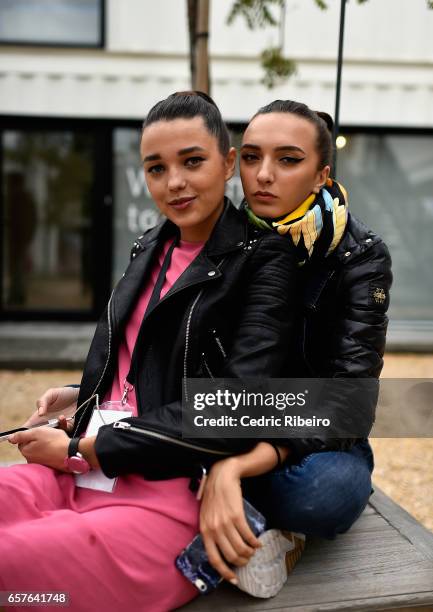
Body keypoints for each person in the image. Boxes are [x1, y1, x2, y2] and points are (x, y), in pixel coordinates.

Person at [0, 92, 298, 611]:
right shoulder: (150, 247)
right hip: (84, 471)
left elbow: (234, 406)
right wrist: (81, 398)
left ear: (229, 164)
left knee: (12, 568)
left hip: (169, 491)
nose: (174, 182)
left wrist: (81, 450)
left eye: (192, 161)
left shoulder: (264, 261)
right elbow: (143, 364)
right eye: (156, 168)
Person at [197, 99, 392, 594]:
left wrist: (237, 464)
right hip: (227, 419)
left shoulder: (359, 255)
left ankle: (248, 509)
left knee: (324, 493)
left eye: (288, 159)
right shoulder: (216, 237)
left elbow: (349, 403)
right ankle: (242, 515)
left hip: (315, 440)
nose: (263, 175)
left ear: (321, 175)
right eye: (251, 157)